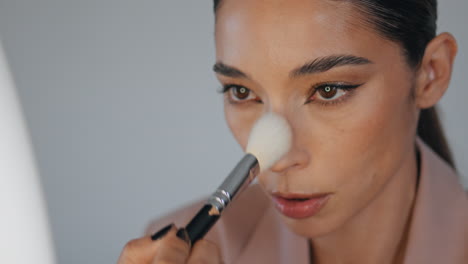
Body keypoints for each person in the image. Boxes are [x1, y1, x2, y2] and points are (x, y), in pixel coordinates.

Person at [117, 0, 468, 263]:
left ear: (431, 73)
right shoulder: (174, 249)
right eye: (241, 92)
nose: (278, 160)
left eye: (329, 90)